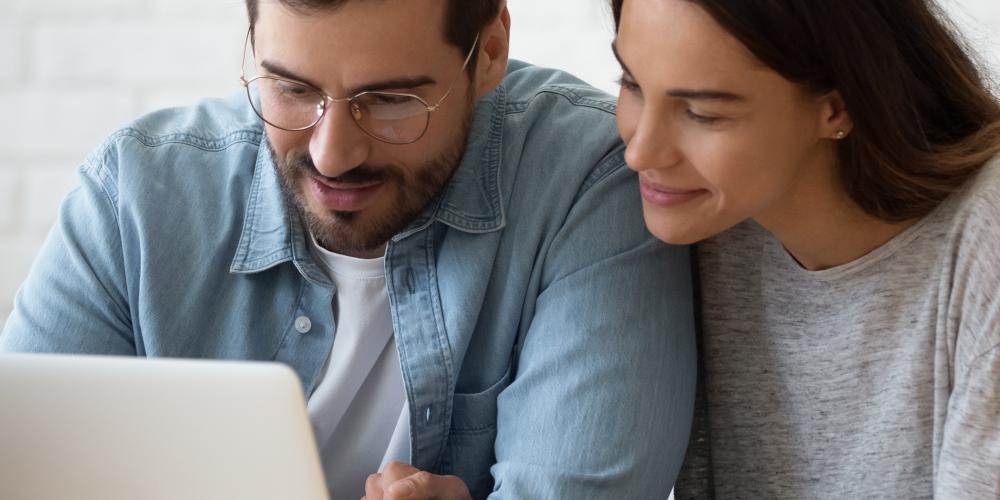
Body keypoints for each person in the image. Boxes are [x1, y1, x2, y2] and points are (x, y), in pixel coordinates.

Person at [0, 0, 697, 499]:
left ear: (487, 54)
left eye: (390, 100)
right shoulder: (133, 197)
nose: (332, 155)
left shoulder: (588, 180)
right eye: (291, 89)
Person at [609, 0, 1000, 498]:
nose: (639, 151)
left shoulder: (984, 246)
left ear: (839, 107)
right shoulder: (701, 217)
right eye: (631, 84)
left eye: (702, 113)